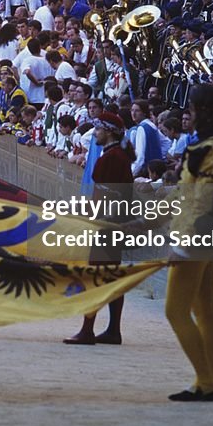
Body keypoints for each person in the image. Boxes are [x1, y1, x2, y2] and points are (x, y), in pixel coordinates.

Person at [165, 84, 213, 402]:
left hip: (193, 240)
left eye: (191, 109)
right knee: (203, 309)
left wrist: (183, 246)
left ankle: (208, 381)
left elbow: (208, 204)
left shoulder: (210, 150)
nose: (187, 115)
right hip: (203, 238)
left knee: (175, 311)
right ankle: (209, 380)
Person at [64, 111, 134, 346]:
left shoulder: (111, 159)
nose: (95, 133)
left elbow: (105, 198)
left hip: (105, 226)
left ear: (110, 131)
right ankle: (113, 330)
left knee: (95, 277)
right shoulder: (117, 156)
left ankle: (87, 330)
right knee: (111, 276)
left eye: (98, 129)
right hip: (113, 224)